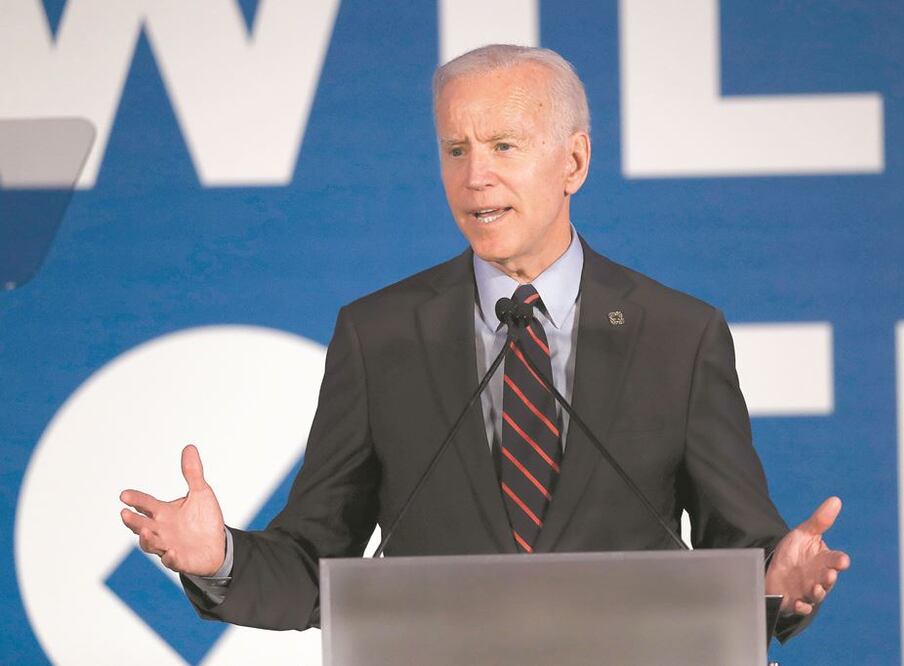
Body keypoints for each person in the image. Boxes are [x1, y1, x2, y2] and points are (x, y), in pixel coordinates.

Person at [119, 44, 848, 640]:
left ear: (573, 162)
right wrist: (219, 559)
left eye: (503, 145)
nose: (475, 177)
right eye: (455, 149)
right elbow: (316, 568)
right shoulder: (379, 335)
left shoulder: (679, 335)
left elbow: (738, 558)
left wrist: (775, 587)